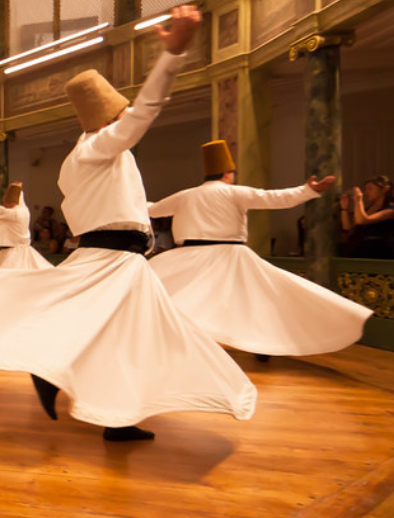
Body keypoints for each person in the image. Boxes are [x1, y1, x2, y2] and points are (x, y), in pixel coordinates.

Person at [0, 6, 255, 442]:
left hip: (116, 255)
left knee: (124, 335)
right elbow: (144, 115)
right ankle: (79, 390)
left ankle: (112, 413)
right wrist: (172, 55)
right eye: (120, 113)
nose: (125, 119)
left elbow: (123, 203)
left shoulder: (83, 159)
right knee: (135, 334)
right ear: (110, 117)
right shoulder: (99, 147)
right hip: (114, 258)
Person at [147, 139, 371, 357]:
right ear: (227, 174)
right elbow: (274, 198)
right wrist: (308, 190)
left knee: (180, 297)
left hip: (188, 256)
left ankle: (174, 341)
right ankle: (259, 344)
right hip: (229, 256)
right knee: (254, 301)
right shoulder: (233, 192)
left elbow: (153, 210)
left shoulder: (186, 195)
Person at [0, 183, 52, 270]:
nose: (5, 205)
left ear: (11, 202)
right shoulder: (24, 210)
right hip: (24, 249)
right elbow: (20, 199)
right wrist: (18, 188)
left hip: (17, 250)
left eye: (6, 203)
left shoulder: (15, 213)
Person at [341, 175, 394, 258]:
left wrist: (358, 200)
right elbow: (349, 229)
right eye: (365, 189)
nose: (366, 192)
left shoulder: (392, 210)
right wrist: (344, 208)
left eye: (370, 189)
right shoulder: (367, 209)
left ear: (385, 189)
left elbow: (362, 220)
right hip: (361, 250)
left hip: (381, 252)